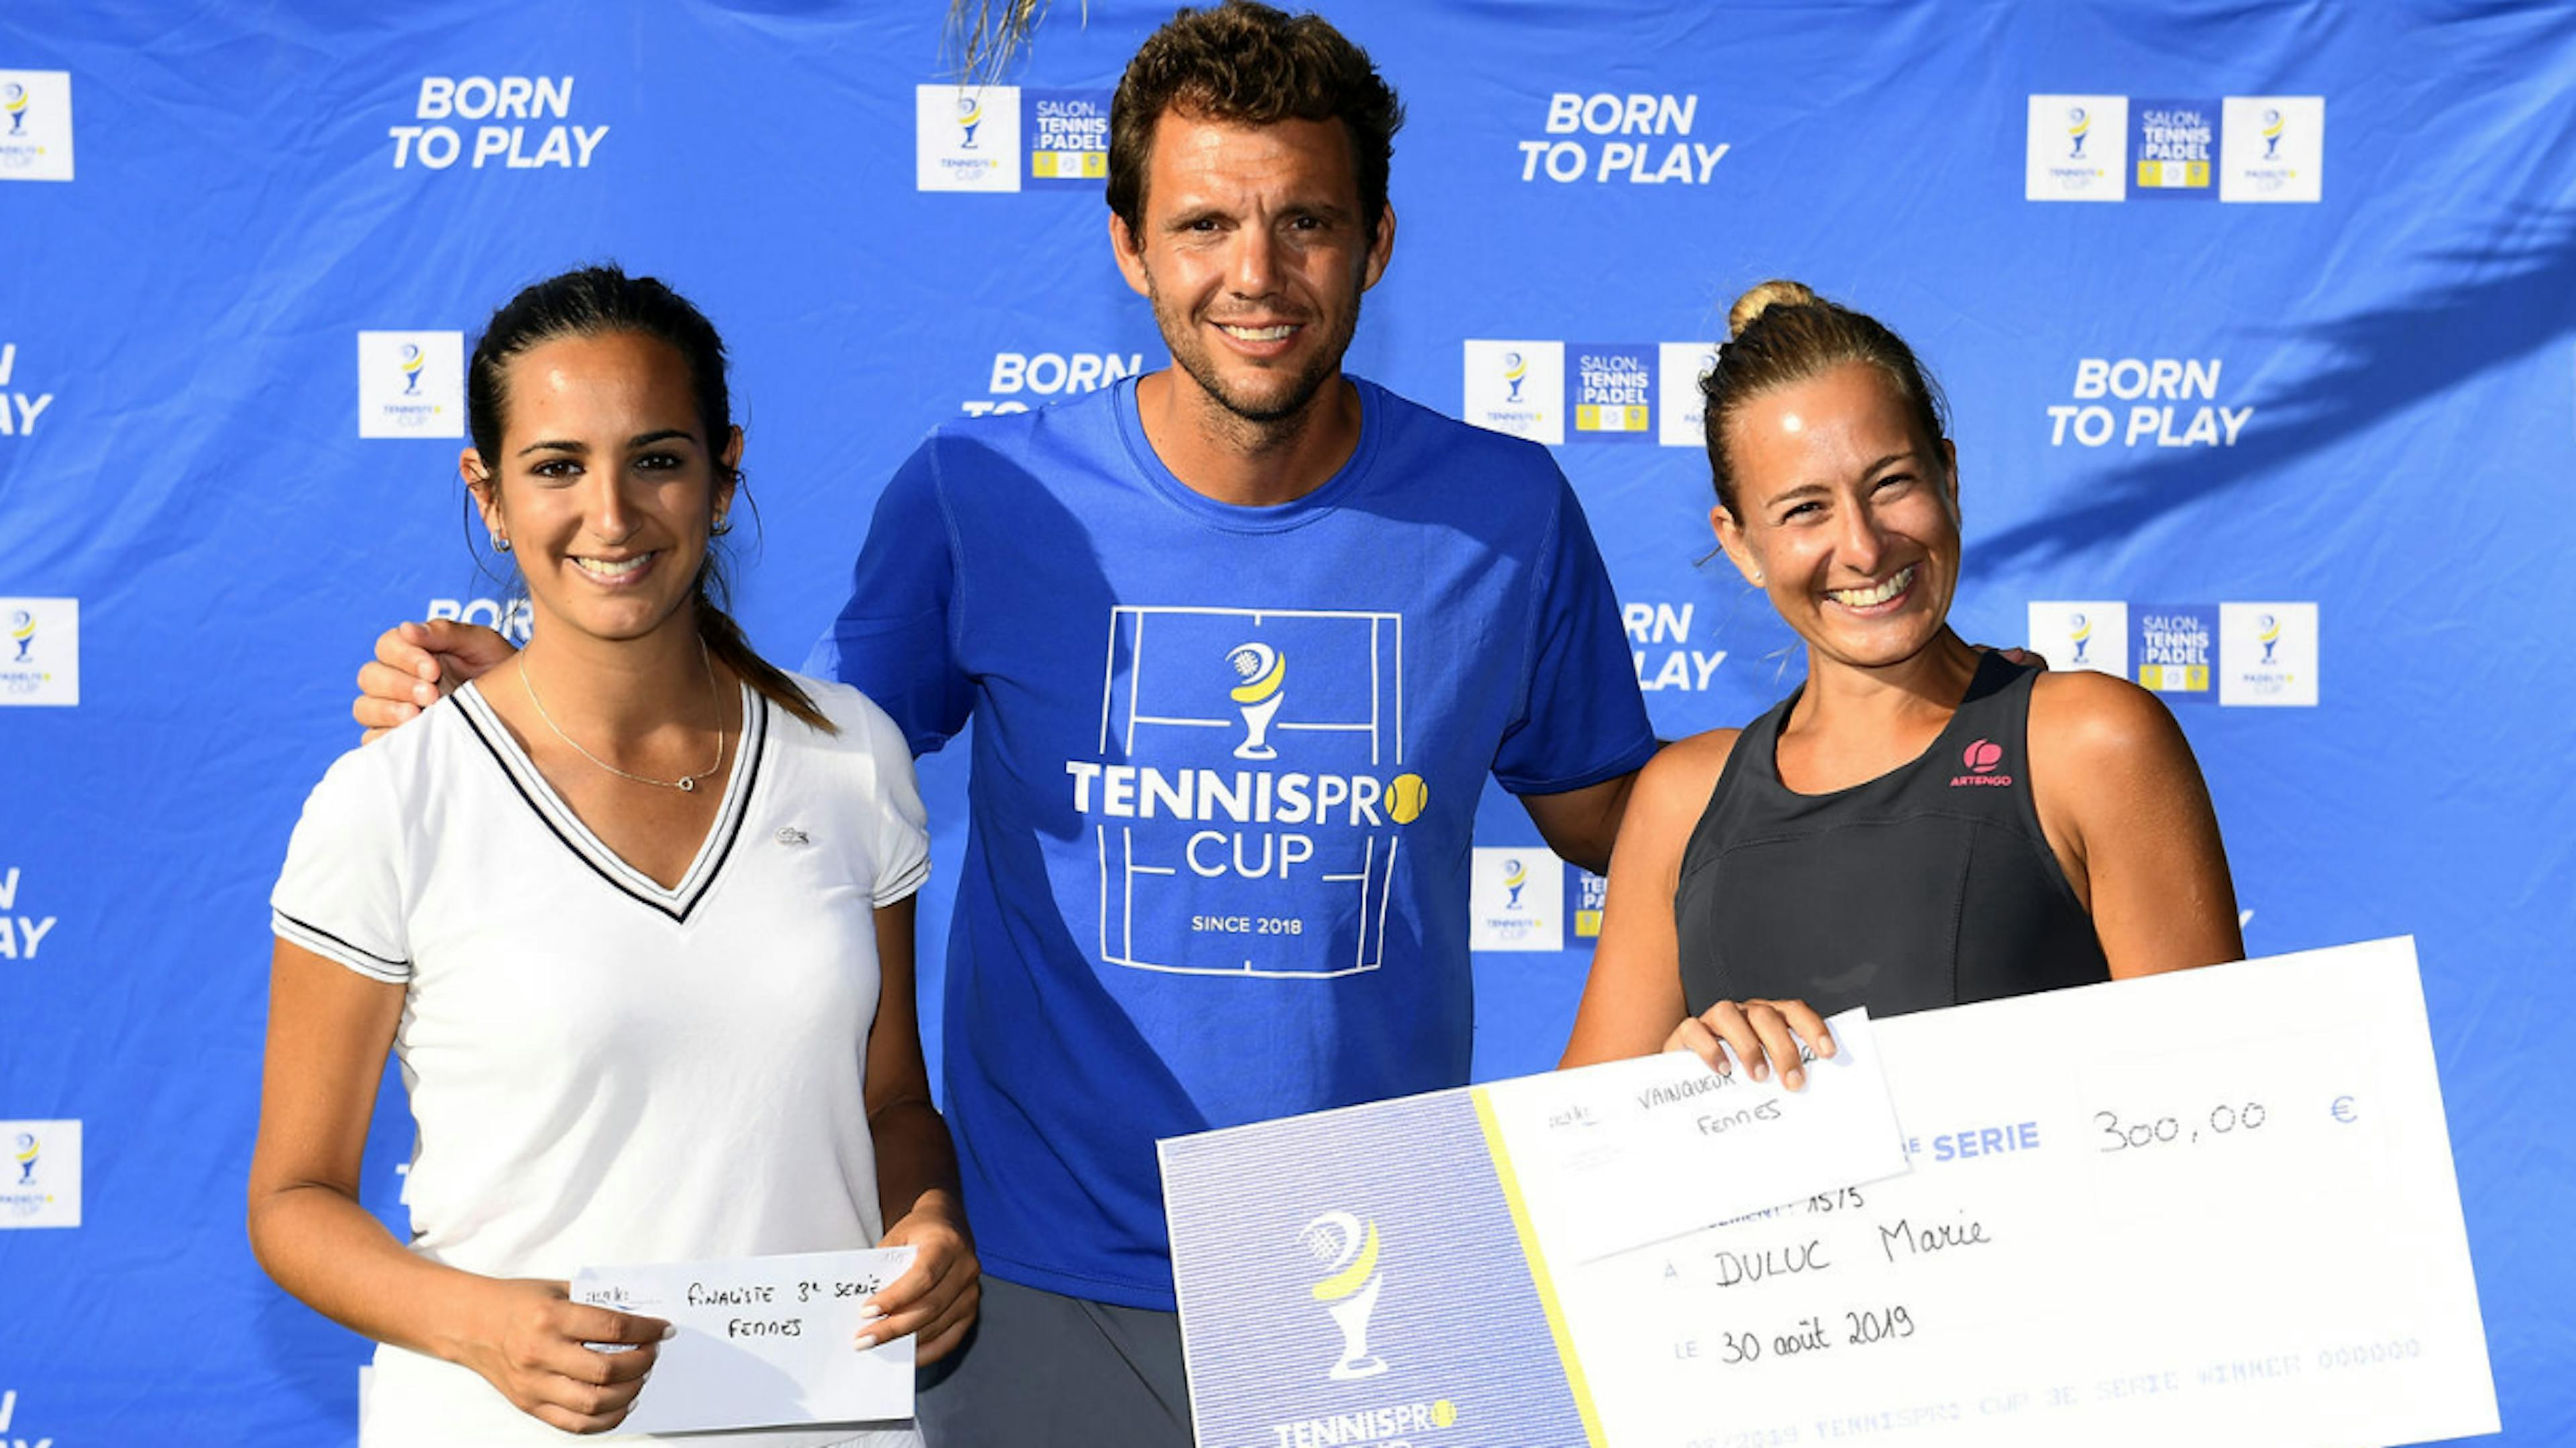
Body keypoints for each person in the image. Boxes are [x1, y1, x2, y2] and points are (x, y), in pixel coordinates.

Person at [350, 7, 1658, 1443]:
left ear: (1379, 241)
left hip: (1371, 1271)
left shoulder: (1505, 511)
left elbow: (1623, 824)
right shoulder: (984, 494)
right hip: (1035, 1276)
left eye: (1308, 223)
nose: (1257, 274)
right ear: (1129, 245)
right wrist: (531, 707)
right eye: (1206, 221)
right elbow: (786, 755)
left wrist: (1827, 776)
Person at [252, 266, 976, 1445]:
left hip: (815, 1423)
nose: (612, 514)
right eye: (556, 466)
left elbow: (891, 1094)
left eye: (657, 458)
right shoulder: (390, 799)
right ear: (486, 494)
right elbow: (294, 1199)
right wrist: (480, 1323)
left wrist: (930, 1215)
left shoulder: (850, 758)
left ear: (724, 473)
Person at [1560, 280, 2244, 1082]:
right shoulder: (1681, 800)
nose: (1863, 545)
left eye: (1890, 484)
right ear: (1740, 543)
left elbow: (2216, 1106)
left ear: (1948, 478)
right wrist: (1676, 1088)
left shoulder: (2089, 742)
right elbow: (1572, 1164)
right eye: (1805, 509)